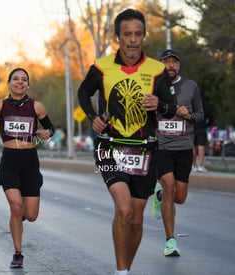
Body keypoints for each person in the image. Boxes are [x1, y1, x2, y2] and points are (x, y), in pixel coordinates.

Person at [77, 9, 176, 275]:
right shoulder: (101, 67)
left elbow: (172, 106)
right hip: (109, 146)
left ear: (144, 36)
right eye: (127, 34)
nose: (133, 40)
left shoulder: (157, 70)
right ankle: (121, 272)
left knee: (135, 218)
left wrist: (161, 105)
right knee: (122, 207)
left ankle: (126, 268)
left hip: (145, 151)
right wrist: (93, 117)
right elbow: (83, 93)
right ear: (117, 37)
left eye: (138, 34)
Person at [0, 68, 55, 269]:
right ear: (9, 83)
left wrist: (46, 132)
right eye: (15, 79)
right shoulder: (0, 105)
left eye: (24, 79)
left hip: (30, 161)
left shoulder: (36, 106)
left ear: (28, 84)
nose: (19, 82)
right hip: (9, 162)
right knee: (15, 206)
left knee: (31, 216)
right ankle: (18, 253)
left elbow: (51, 128)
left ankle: (20, 215)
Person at [152, 49, 204, 257]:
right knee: (170, 187)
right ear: (160, 66)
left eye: (174, 62)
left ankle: (159, 196)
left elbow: (200, 114)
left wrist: (189, 115)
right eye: (166, 62)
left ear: (179, 65)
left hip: (184, 147)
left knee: (179, 197)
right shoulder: (153, 88)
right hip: (161, 146)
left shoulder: (191, 86)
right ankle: (170, 241)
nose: (170, 66)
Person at [192, 102, 214, 172]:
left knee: (193, 147)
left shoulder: (191, 106)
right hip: (202, 128)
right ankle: (201, 166)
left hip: (192, 128)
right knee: (201, 147)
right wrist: (206, 125)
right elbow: (211, 119)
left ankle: (193, 165)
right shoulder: (205, 107)